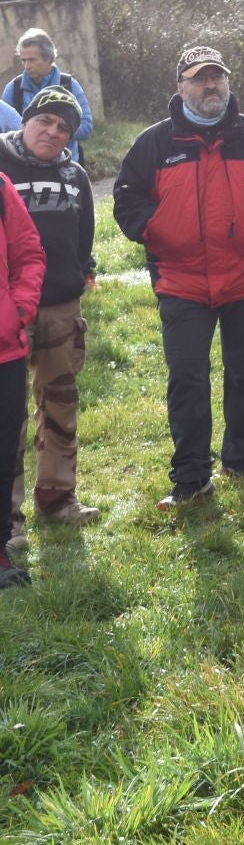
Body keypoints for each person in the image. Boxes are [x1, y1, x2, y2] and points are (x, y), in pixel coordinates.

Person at [113, 46, 244, 508]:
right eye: (199, 79)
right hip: (182, 283)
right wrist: (159, 230)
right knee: (188, 379)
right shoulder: (155, 143)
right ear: (180, 88)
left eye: (216, 77)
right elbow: (127, 200)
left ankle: (241, 461)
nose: (210, 86)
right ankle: (192, 479)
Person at [0, 88, 98, 546]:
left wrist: (77, 277)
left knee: (59, 402)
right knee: (7, 413)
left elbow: (84, 240)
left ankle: (58, 498)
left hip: (60, 305)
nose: (53, 133)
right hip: (6, 312)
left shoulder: (75, 175)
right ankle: (9, 518)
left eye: (64, 128)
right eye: (45, 122)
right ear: (26, 119)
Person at [0, 161, 43, 587]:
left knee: (2, 451)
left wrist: (18, 312)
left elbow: (29, 254)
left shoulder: (0, 188)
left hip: (4, 348)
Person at [4, 30, 94, 162]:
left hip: (64, 165)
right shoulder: (14, 88)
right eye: (23, 61)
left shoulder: (69, 85)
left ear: (49, 59)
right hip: (23, 165)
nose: (27, 66)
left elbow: (86, 127)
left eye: (32, 60)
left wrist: (58, 132)